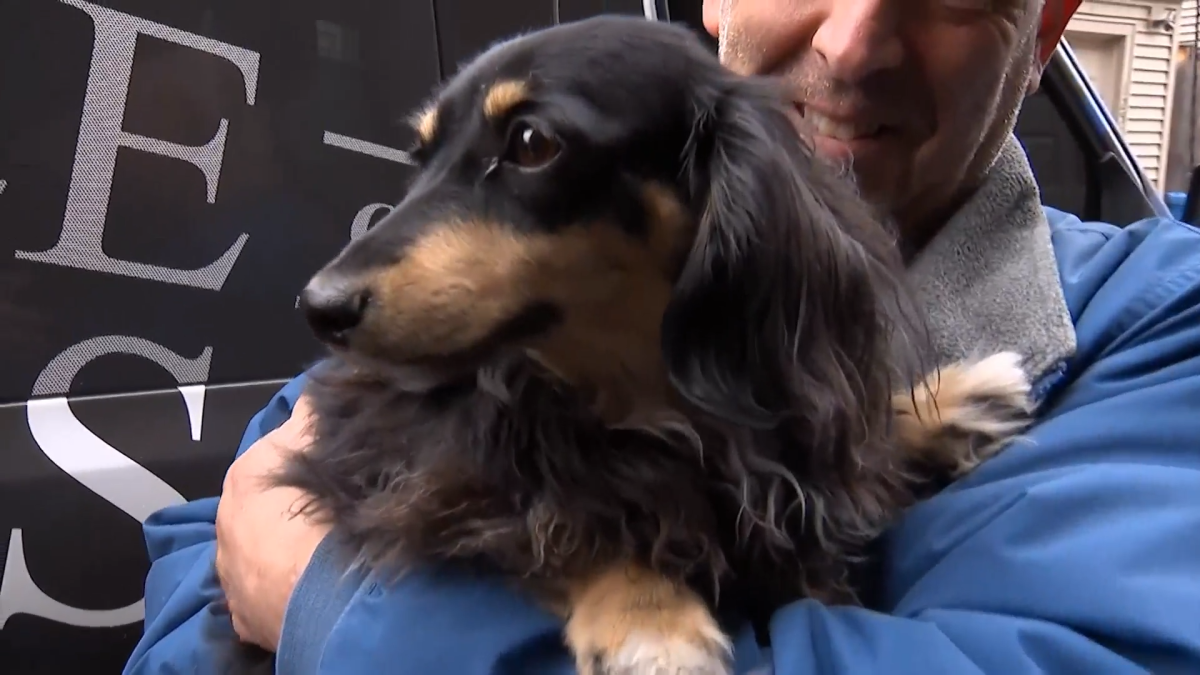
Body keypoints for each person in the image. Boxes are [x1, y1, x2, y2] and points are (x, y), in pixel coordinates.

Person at [124, 0, 1200, 672]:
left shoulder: (1159, 328)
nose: (854, 39)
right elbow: (208, 546)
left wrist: (341, 610)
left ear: (1047, 24)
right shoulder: (504, 319)